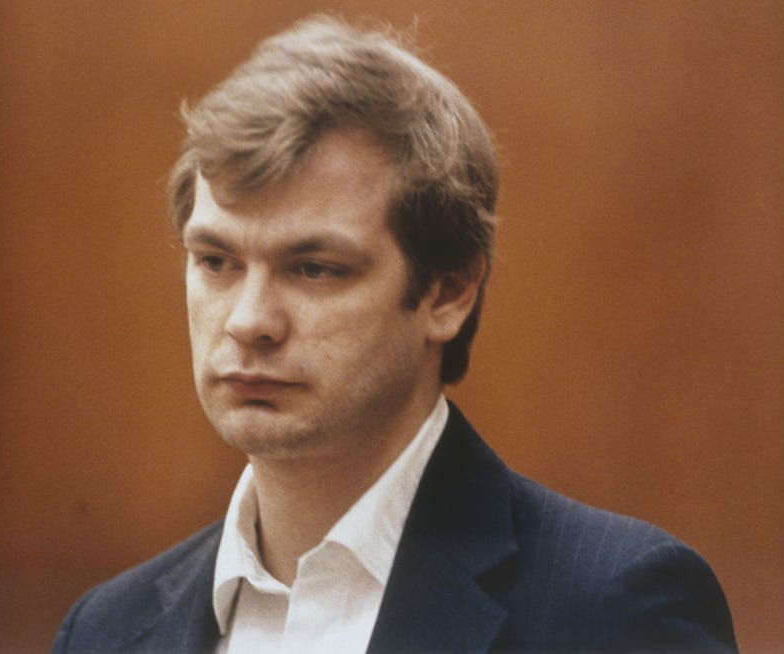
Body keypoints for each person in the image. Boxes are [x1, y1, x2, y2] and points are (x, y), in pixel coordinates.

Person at [53, 15, 736, 653]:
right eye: (216, 261)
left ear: (448, 291)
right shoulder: (107, 630)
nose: (248, 321)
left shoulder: (616, 609)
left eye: (314, 268)